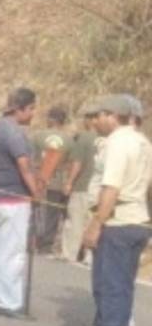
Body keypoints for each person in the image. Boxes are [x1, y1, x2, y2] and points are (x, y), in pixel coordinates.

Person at [73, 94, 152, 326]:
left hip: (117, 222)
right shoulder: (143, 142)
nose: (97, 121)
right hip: (137, 219)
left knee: (109, 285)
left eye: (101, 115)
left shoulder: (117, 144)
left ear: (112, 116)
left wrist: (96, 224)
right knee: (123, 285)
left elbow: (111, 188)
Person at [0, 88, 40, 318]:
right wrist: (35, 193)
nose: (33, 113)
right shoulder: (14, 132)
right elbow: (24, 166)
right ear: (20, 109)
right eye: (31, 108)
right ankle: (9, 302)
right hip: (13, 198)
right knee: (12, 253)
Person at [61, 103, 101, 264]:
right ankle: (89, 256)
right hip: (101, 190)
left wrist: (69, 182)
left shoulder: (84, 137)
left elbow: (76, 163)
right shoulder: (108, 139)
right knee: (92, 222)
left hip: (82, 186)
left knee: (75, 222)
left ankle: (70, 254)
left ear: (91, 120)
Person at [31, 106, 71, 255]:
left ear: (50, 119)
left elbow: (31, 157)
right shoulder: (68, 140)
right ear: (63, 122)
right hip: (57, 182)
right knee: (52, 215)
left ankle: (32, 240)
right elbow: (70, 163)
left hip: (37, 179)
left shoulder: (37, 136)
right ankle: (46, 246)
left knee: (35, 211)